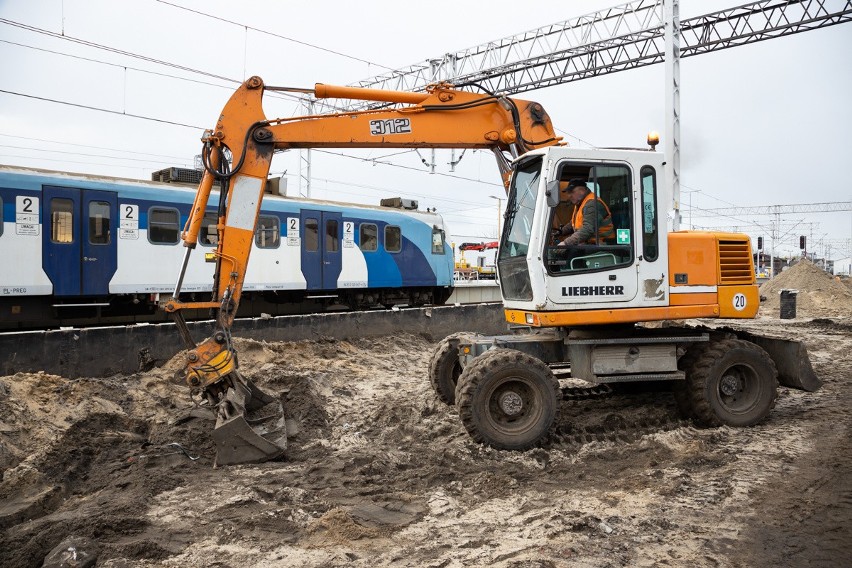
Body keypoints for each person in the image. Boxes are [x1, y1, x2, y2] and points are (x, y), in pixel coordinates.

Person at [557, 178, 615, 246]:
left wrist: (566, 243)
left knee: (563, 252)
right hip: (590, 243)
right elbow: (573, 223)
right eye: (568, 193)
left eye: (572, 192)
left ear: (582, 190)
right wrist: (560, 232)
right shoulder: (580, 203)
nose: (569, 196)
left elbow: (587, 229)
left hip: (601, 244)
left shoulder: (592, 204)